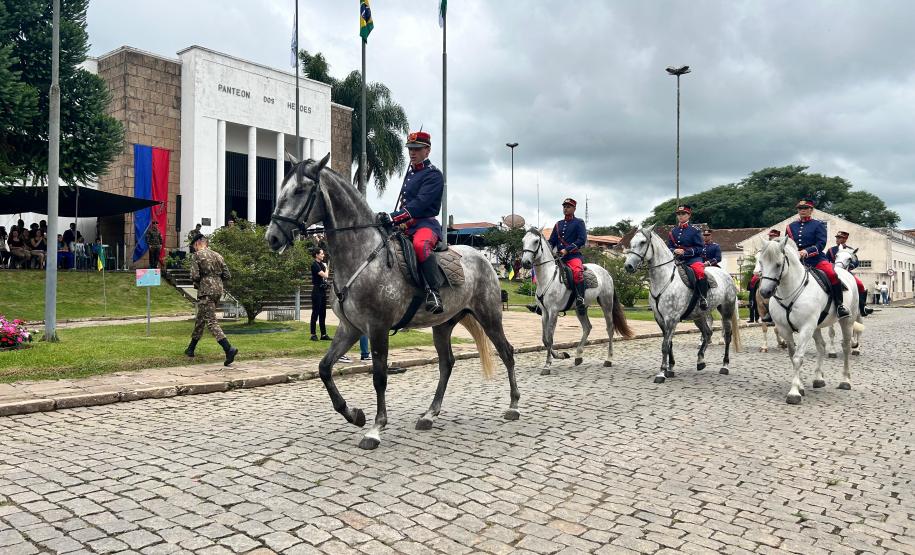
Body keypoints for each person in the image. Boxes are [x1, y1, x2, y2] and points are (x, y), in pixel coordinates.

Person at [388, 130, 445, 314]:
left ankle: (433, 292)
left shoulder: (434, 175)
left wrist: (394, 217)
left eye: (417, 149)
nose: (412, 152)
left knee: (421, 246)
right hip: (406, 226)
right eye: (410, 148)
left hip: (425, 224)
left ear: (427, 151)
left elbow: (419, 205)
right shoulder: (412, 173)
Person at [782, 199, 849, 319]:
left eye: (805, 208)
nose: (802, 211)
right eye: (800, 209)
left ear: (811, 210)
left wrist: (806, 251)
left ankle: (839, 305)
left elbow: (821, 244)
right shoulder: (790, 227)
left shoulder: (818, 225)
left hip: (816, 259)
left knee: (832, 274)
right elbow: (786, 244)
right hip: (796, 260)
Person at [185, 233, 237, 365]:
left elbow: (195, 276)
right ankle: (190, 349)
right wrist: (216, 280)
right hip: (218, 290)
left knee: (211, 321)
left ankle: (228, 348)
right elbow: (227, 275)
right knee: (201, 318)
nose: (194, 249)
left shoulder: (197, 256)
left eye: (194, 246)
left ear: (197, 244)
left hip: (206, 290)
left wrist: (203, 281)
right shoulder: (218, 255)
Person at [548, 198, 588, 315]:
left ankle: (580, 298)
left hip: (573, 256)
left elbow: (581, 240)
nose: (566, 208)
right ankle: (542, 302)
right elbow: (552, 241)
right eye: (564, 206)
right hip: (558, 257)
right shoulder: (558, 224)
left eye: (568, 206)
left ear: (574, 209)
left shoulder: (579, 223)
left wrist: (567, 249)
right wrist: (548, 248)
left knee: (577, 272)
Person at [667, 204, 710, 310]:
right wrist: (674, 250)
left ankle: (703, 298)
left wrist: (685, 252)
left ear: (689, 215)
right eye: (679, 214)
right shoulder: (673, 231)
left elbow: (700, 248)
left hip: (692, 259)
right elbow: (669, 247)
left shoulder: (695, 230)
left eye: (683, 214)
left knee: (699, 271)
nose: (681, 216)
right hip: (677, 259)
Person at [826, 231, 871, 316]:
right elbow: (825, 260)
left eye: (840, 238)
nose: (837, 239)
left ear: (845, 239)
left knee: (860, 284)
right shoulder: (831, 250)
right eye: (837, 237)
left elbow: (856, 262)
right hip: (833, 271)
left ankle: (863, 307)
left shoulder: (850, 250)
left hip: (846, 272)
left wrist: (851, 266)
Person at [310, 248, 331, 341]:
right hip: (316, 290)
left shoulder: (321, 264)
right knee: (315, 313)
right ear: (317, 255)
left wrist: (326, 268)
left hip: (322, 290)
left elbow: (326, 276)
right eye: (322, 254)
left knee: (323, 313)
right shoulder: (315, 265)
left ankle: (323, 334)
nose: (323, 255)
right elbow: (325, 275)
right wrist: (326, 268)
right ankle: (313, 334)